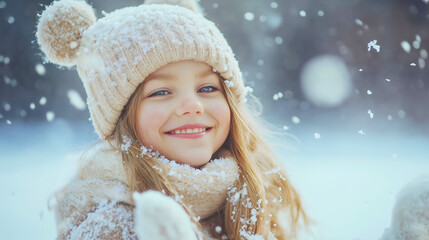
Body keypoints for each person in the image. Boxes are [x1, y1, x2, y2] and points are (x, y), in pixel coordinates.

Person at [36, 0, 308, 239]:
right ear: (119, 118)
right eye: (161, 92)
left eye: (207, 88)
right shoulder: (111, 227)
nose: (192, 105)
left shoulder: (255, 194)